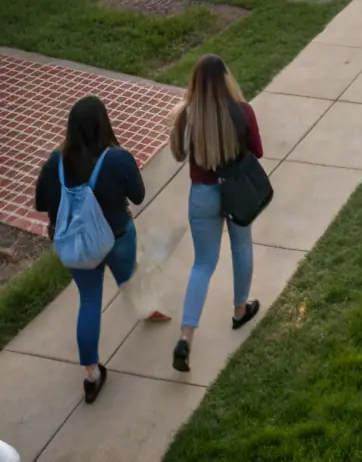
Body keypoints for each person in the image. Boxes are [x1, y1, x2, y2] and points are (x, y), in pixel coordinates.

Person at [35, 96, 145, 404]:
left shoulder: (55, 162)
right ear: (104, 124)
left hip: (76, 247)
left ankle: (92, 375)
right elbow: (138, 195)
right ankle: (146, 307)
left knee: (89, 301)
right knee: (130, 278)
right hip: (117, 237)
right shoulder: (118, 158)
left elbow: (41, 203)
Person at [169, 55, 262, 373]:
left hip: (202, 195)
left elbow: (179, 152)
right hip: (236, 192)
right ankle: (239, 310)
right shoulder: (243, 111)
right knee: (242, 248)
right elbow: (257, 151)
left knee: (203, 264)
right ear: (226, 79)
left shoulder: (187, 115)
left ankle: (185, 337)